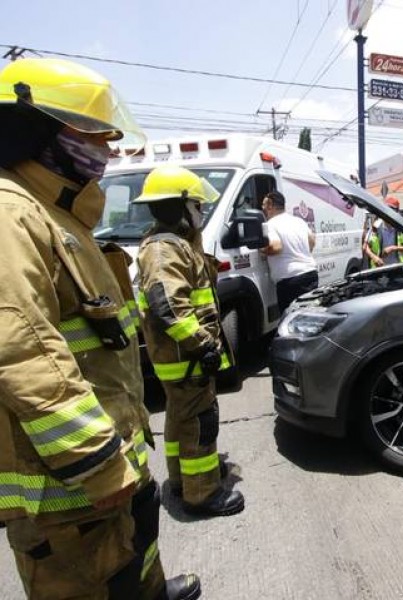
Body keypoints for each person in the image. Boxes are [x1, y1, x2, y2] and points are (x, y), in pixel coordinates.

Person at [0, 58, 200, 599]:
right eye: (92, 136)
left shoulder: (60, 214)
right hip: (69, 489)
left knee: (133, 555)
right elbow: (22, 355)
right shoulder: (11, 216)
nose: (107, 152)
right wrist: (96, 461)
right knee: (92, 582)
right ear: (32, 130)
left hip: (111, 464)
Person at [134, 166, 245, 519]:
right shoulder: (165, 250)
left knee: (181, 419)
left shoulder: (172, 244)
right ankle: (202, 493)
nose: (201, 212)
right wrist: (204, 346)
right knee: (200, 422)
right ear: (176, 208)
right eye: (196, 205)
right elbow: (169, 306)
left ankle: (184, 480)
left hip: (181, 359)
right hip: (187, 358)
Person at [262, 190, 319, 313]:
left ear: (270, 205)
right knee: (311, 315)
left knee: (292, 322)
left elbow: (276, 247)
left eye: (264, 205)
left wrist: (261, 249)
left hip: (290, 281)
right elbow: (312, 242)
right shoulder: (298, 221)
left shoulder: (271, 224)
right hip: (310, 275)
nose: (262, 208)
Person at [363, 196, 403, 268]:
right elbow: (365, 246)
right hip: (379, 270)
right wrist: (374, 257)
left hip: (400, 270)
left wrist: (394, 248)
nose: (388, 213)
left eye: (391, 210)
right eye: (386, 210)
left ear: (396, 212)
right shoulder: (376, 226)